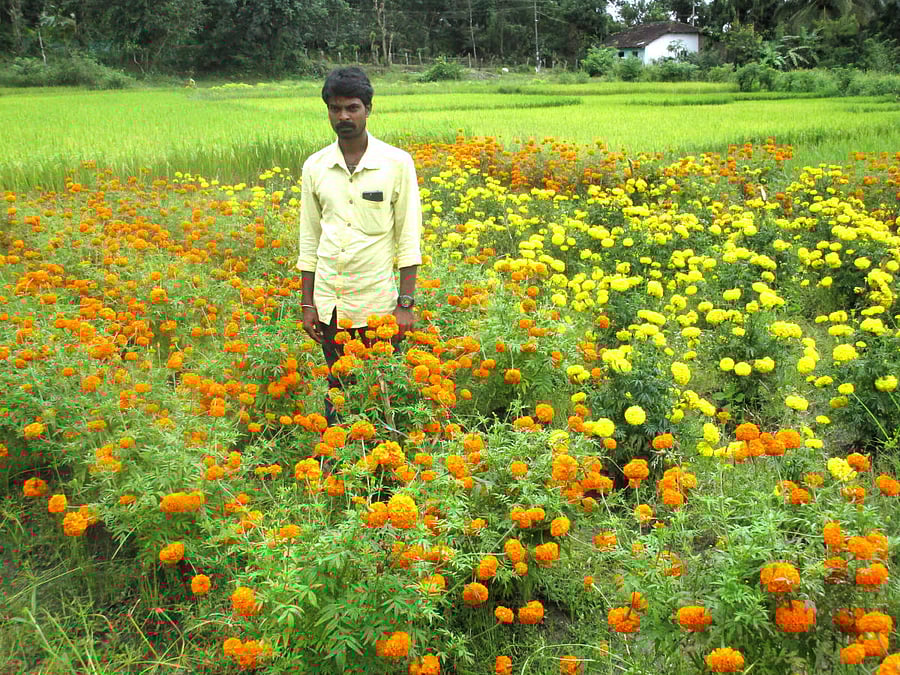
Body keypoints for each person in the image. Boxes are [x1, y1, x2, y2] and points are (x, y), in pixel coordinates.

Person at [297, 67, 422, 427]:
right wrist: (308, 305)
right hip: (330, 305)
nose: (344, 117)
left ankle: (382, 473)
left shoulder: (396, 164)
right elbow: (309, 240)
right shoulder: (316, 166)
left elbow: (408, 238)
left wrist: (406, 305)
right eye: (335, 109)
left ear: (368, 108)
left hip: (378, 307)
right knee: (338, 389)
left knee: (381, 393)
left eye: (352, 108)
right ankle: (339, 467)